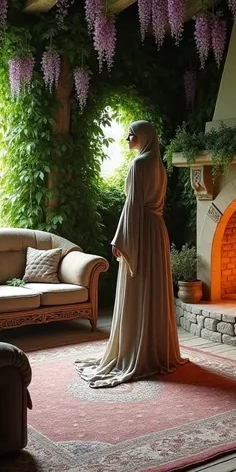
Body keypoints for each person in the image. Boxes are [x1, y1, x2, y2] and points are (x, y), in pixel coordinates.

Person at [76, 120, 187, 388]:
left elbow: (133, 205)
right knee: (153, 288)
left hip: (140, 231)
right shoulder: (159, 165)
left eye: (131, 135)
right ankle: (155, 349)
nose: (127, 138)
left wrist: (121, 240)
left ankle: (137, 351)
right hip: (156, 231)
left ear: (144, 137)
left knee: (139, 288)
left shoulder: (139, 164)